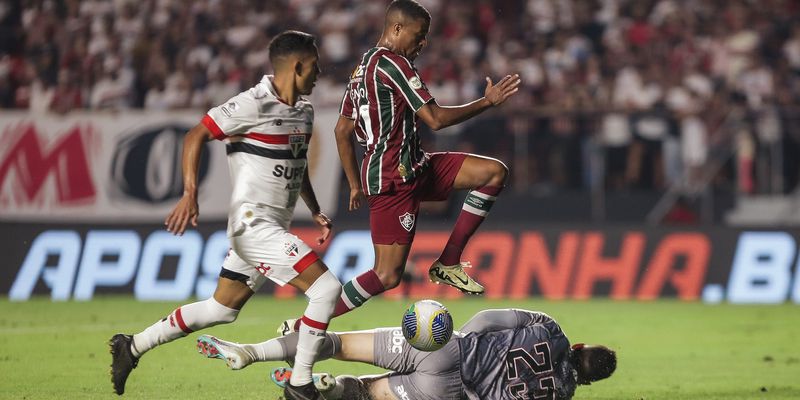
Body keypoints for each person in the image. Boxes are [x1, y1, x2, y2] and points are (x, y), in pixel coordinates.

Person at [108, 31, 342, 400]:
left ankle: (132, 346)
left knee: (221, 309)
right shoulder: (252, 104)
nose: (319, 72)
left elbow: (297, 167)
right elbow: (194, 136)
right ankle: (300, 385)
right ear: (297, 66)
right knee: (326, 289)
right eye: (314, 65)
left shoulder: (304, 111)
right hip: (253, 226)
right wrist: (189, 194)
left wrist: (314, 209)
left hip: (270, 228)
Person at [306, 0, 521, 330]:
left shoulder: (363, 66)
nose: (422, 44)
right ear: (396, 29)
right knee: (386, 275)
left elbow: (342, 129)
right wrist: (486, 102)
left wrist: (353, 181)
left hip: (415, 166)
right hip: (394, 177)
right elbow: (434, 119)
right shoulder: (394, 64)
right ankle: (306, 322)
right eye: (419, 36)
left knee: (493, 172)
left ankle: (448, 262)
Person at [197, 308, 617, 399]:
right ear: (588, 380)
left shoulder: (552, 330)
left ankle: (250, 353)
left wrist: (460, 345)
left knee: (341, 343)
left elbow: (490, 318)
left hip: (443, 347)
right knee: (364, 395)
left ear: (579, 347)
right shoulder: (559, 396)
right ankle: (324, 391)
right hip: (447, 394)